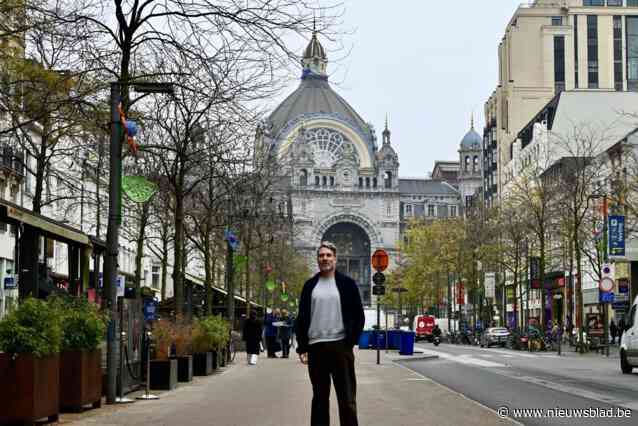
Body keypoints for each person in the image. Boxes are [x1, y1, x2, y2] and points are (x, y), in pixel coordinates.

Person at [295, 241, 365, 426]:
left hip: (340, 346)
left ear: (335, 258)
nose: (324, 258)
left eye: (328, 255)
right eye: (321, 255)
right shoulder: (309, 285)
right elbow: (301, 317)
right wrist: (302, 347)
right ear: (317, 259)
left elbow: (359, 315)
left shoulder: (347, 284)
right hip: (316, 348)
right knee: (319, 399)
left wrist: (350, 342)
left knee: (347, 400)